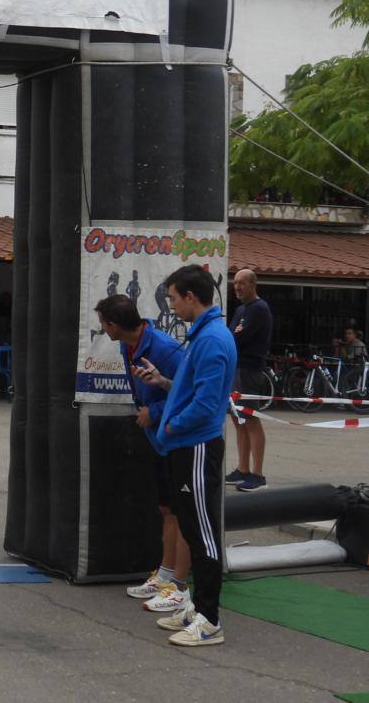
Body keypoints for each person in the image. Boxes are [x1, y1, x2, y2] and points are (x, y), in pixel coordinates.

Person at [134, 265, 235, 647]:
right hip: (186, 445)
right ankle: (196, 607)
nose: (171, 306)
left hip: (195, 446)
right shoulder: (204, 335)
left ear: (192, 297)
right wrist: (163, 383)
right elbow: (194, 388)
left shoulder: (211, 339)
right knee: (193, 529)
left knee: (202, 533)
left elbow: (209, 403)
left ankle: (210, 620)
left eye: (174, 298)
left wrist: (173, 424)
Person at [94, 295, 189, 614]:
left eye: (103, 324)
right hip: (158, 438)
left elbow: (189, 392)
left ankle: (179, 585)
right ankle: (164, 575)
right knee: (166, 509)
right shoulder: (127, 344)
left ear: (113, 325)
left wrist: (156, 412)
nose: (102, 329)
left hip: (179, 438)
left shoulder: (164, 348)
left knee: (181, 512)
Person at [227, 269, 272, 493]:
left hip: (249, 370)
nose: (237, 287)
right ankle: (242, 469)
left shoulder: (259, 309)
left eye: (242, 283)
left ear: (253, 284)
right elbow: (230, 335)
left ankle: (257, 474)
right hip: (236, 369)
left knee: (251, 419)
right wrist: (234, 333)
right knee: (238, 420)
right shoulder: (242, 309)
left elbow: (238, 338)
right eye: (235, 283)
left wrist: (235, 333)